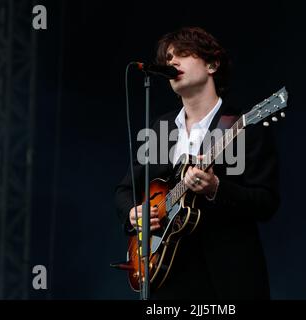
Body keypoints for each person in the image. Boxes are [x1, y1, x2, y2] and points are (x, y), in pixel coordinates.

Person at [115, 26, 280, 299]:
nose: (172, 62)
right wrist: (133, 213)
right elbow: (124, 191)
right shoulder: (161, 128)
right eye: (168, 58)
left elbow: (267, 202)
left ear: (212, 64)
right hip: (166, 277)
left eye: (183, 53)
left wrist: (216, 188)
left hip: (227, 279)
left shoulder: (243, 126)